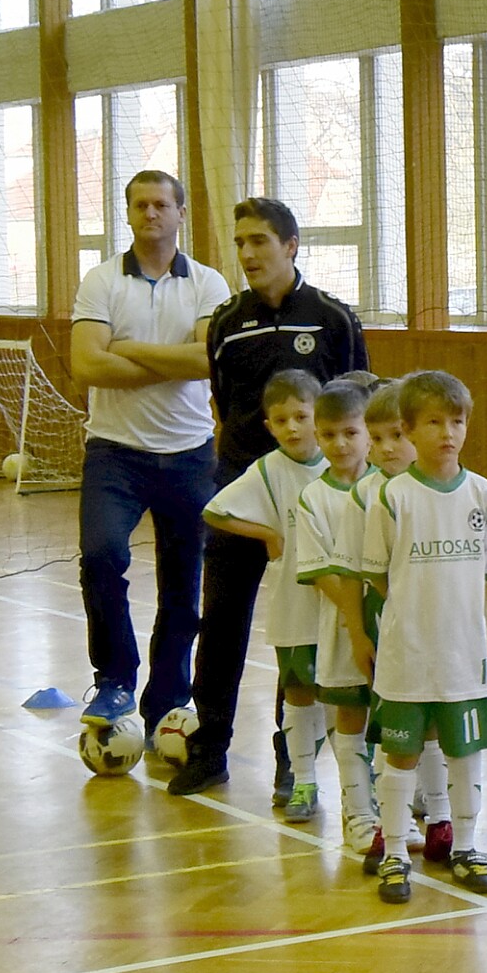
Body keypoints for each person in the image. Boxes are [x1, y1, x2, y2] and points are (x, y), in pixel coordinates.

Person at [176, 197, 369, 798]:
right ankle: (209, 749)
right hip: (243, 488)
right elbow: (223, 400)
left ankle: (293, 761)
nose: (247, 253)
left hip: (315, 497)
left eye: (259, 240)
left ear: (291, 246)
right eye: (239, 242)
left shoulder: (333, 319)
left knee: (304, 632)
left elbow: (358, 402)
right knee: (221, 622)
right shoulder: (227, 322)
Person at [67, 170, 234, 740]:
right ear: (129, 213)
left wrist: (129, 349)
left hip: (190, 454)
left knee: (184, 584)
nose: (151, 213)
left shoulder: (208, 283)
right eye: (140, 205)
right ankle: (114, 678)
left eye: (162, 204)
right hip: (115, 454)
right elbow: (86, 365)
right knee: (100, 557)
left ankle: (167, 698)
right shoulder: (101, 280)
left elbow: (209, 361)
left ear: (181, 213)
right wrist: (173, 360)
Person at [358, 372, 487, 904]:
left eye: (457, 421)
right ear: (410, 430)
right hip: (407, 656)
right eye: (435, 422)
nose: (448, 433)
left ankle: (465, 846)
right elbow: (378, 575)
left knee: (465, 753)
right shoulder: (392, 496)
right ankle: (396, 851)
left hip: (464, 657)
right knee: (400, 755)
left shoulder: (481, 493)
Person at [201, 369, 330, 819]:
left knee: (350, 696)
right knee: (298, 690)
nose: (292, 428)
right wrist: (269, 533)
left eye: (301, 417)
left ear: (319, 417)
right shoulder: (269, 470)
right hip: (295, 602)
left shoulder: (342, 463)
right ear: (268, 426)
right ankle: (297, 774)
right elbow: (215, 510)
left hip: (342, 603)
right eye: (281, 420)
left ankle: (369, 783)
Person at [357, 377, 448, 869]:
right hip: (385, 628)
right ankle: (388, 823)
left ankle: (440, 817)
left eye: (397, 435)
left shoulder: (448, 490)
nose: (388, 448)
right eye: (377, 438)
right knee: (390, 728)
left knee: (431, 725)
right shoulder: (368, 495)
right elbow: (367, 572)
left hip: (436, 632)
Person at [289, 381, 381, 851]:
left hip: (394, 624)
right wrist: (356, 616)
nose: (340, 444)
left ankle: (404, 805)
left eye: (350, 432)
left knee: (400, 714)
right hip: (346, 627)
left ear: (368, 433)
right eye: (328, 435)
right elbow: (321, 569)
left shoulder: (388, 488)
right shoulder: (313, 498)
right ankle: (357, 812)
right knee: (350, 715)